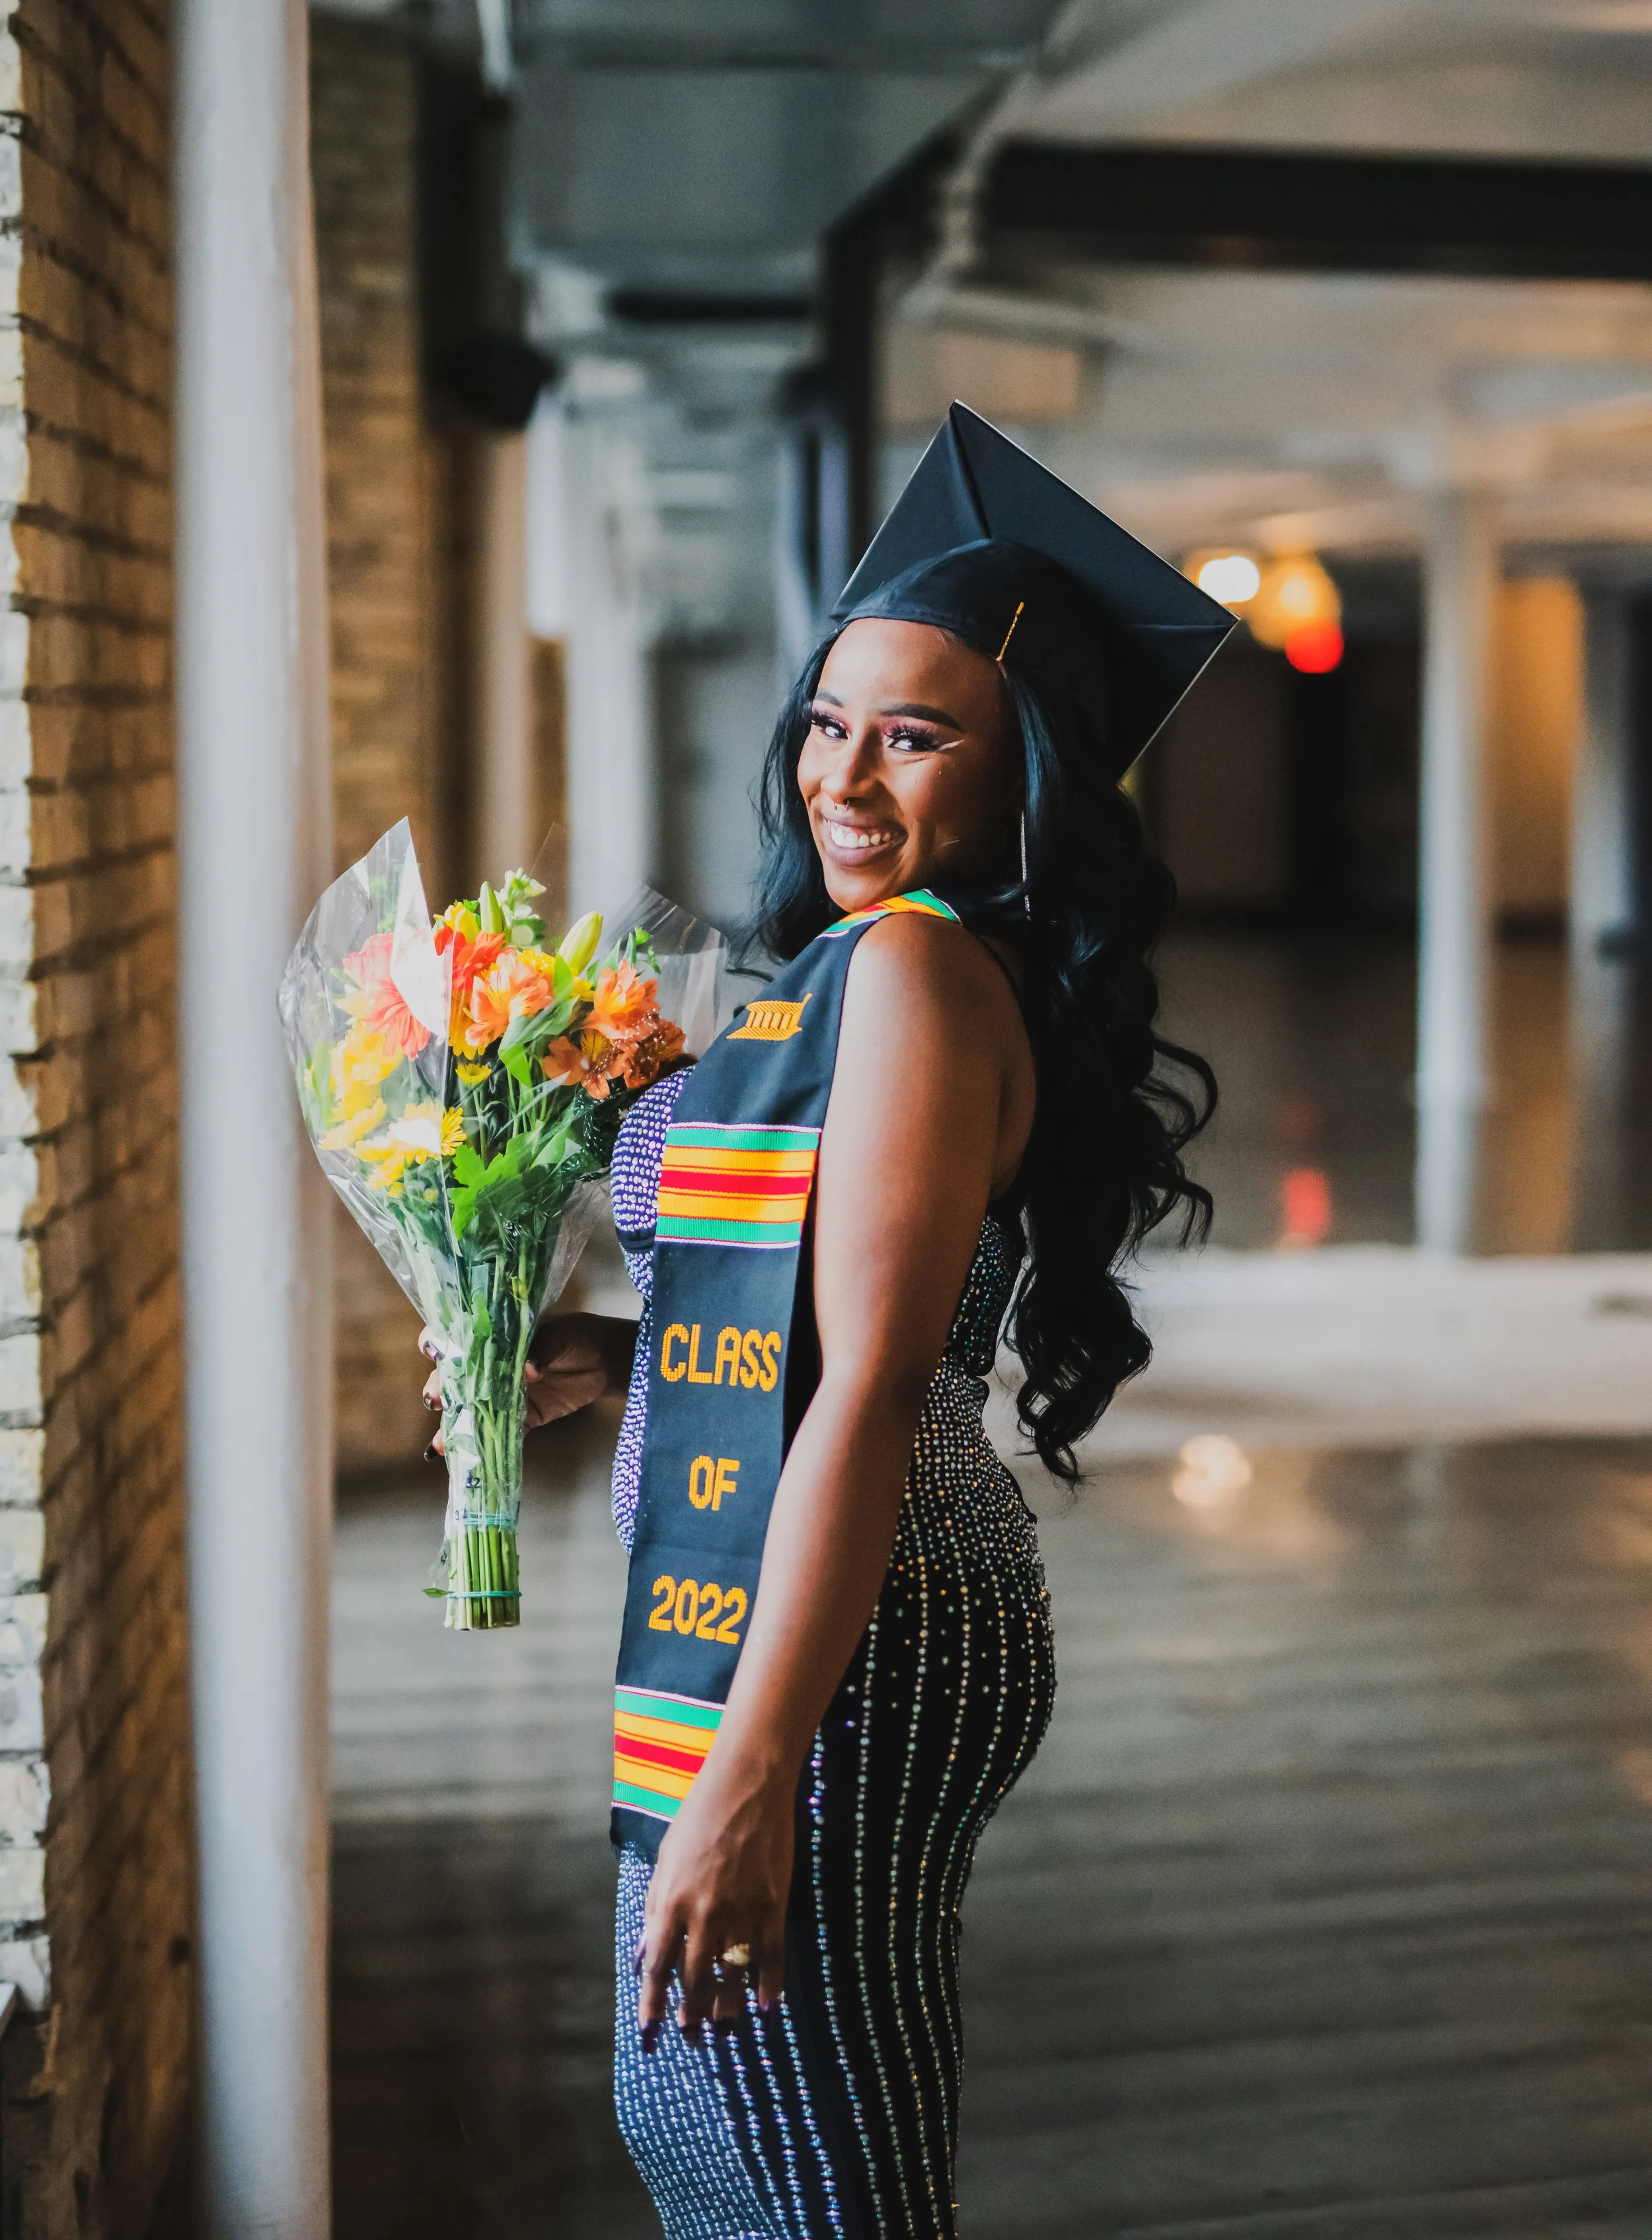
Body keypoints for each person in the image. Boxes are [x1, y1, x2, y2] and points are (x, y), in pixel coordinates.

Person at [426, 406, 1234, 2239]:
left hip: (852, 1645)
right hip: (811, 1605)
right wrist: (611, 1360)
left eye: (915, 732)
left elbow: (871, 1384)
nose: (840, 773)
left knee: (799, 2151)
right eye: (827, 717)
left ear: (1018, 768)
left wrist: (750, 1769)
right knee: (717, 2107)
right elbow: (829, 1316)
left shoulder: (925, 971)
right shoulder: (860, 969)